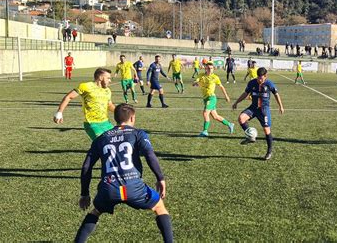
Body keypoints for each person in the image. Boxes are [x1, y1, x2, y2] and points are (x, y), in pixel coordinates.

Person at [74, 104, 173, 243]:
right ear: (132, 118)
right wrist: (160, 178)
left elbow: (86, 167)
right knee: (159, 207)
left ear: (115, 118)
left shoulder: (101, 138)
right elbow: (150, 155)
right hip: (134, 187)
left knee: (95, 211)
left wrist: (84, 193)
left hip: (108, 189)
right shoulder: (138, 133)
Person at [232, 67, 284, 160]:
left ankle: (269, 152)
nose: (259, 80)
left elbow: (276, 94)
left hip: (264, 110)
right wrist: (236, 102)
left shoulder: (269, 84)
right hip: (253, 108)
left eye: (261, 78)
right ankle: (251, 136)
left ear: (265, 76)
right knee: (241, 118)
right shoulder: (252, 83)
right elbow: (245, 93)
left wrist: (281, 106)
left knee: (266, 131)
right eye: (258, 77)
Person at [53, 68, 115, 141]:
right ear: (101, 78)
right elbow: (69, 97)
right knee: (103, 143)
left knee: (115, 142)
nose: (110, 80)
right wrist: (59, 112)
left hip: (106, 123)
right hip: (92, 124)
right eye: (108, 78)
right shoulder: (86, 86)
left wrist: (122, 112)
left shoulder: (107, 90)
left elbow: (109, 105)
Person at [193, 62, 234, 137]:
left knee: (205, 113)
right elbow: (196, 81)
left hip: (211, 98)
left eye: (211, 68)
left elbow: (221, 87)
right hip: (205, 98)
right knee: (215, 116)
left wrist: (226, 96)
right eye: (208, 68)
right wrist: (195, 83)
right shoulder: (201, 75)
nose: (210, 70)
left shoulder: (215, 77)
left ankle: (205, 131)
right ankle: (229, 124)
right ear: (205, 68)